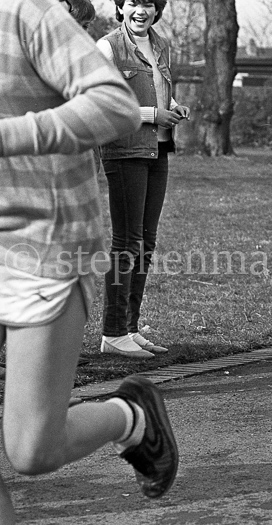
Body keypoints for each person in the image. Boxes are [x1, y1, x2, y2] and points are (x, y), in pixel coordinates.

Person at [0, 0, 179, 521]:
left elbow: (115, 104)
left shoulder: (24, 14)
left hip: (40, 244)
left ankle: (131, 415)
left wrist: (7, 136)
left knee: (32, 449)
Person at [97, 0, 190, 358]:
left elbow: (158, 86)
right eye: (133, 2)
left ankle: (130, 329)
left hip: (158, 151)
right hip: (125, 152)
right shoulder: (108, 47)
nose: (141, 10)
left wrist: (174, 105)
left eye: (148, 3)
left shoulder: (161, 44)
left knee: (145, 243)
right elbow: (102, 104)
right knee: (126, 242)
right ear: (121, 7)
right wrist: (153, 114)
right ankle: (112, 333)